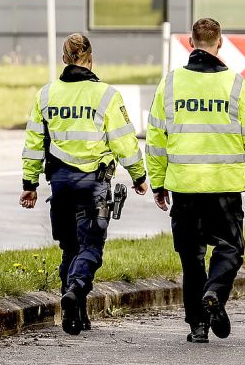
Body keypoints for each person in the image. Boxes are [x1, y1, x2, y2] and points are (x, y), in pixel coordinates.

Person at [146, 18, 245, 343]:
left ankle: (198, 327)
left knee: (192, 258)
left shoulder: (170, 84)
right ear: (220, 43)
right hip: (225, 187)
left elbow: (156, 138)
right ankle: (215, 292)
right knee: (230, 248)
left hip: (184, 187)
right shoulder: (235, 84)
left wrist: (157, 183)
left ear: (190, 42)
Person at [19, 33, 149, 336]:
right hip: (94, 185)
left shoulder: (47, 94)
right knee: (90, 247)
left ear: (64, 58)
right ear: (90, 57)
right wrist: (139, 176)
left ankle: (74, 314)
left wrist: (30, 183)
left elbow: (34, 142)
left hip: (61, 184)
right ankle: (76, 289)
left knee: (69, 248)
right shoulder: (106, 95)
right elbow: (124, 141)